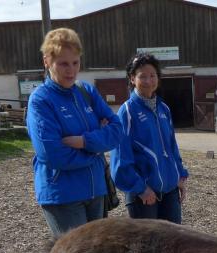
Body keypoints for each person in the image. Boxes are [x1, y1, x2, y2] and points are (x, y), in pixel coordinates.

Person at [26, 27, 123, 238]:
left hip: (96, 190)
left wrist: (84, 141)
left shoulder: (85, 91)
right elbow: (52, 154)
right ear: (47, 61)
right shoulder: (41, 100)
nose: (71, 70)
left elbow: (117, 130)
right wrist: (97, 150)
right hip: (63, 195)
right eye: (63, 63)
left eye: (75, 63)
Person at [111, 53, 188, 224]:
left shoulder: (164, 109)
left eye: (152, 75)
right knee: (149, 241)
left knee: (173, 239)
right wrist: (140, 188)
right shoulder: (127, 112)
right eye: (142, 76)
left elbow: (172, 147)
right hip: (144, 195)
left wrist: (180, 176)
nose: (148, 81)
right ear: (132, 79)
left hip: (170, 191)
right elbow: (120, 159)